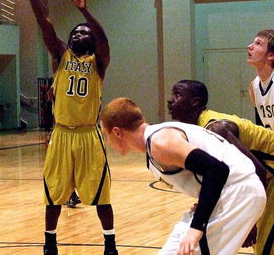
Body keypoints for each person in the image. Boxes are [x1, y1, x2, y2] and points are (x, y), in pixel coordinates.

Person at [15, 0, 117, 255]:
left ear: (92, 41)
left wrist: (84, 11)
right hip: (61, 134)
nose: (79, 34)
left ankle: (110, 243)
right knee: (53, 193)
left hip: (88, 134)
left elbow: (104, 40)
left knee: (100, 193)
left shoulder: (99, 62)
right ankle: (50, 243)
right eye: (76, 31)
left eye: (85, 32)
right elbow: (44, 23)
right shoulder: (61, 55)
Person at [100, 97, 266, 255]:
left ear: (117, 132)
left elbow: (217, 170)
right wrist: (205, 201)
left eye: (105, 134)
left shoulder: (161, 142)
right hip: (228, 192)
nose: (107, 141)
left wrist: (196, 228)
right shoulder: (154, 144)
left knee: (192, 247)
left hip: (238, 192)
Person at [167, 79, 273, 254]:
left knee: (266, 246)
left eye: (177, 94)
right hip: (266, 178)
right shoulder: (197, 129)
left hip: (267, 175)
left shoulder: (216, 128)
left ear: (195, 101)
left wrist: (251, 219)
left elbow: (257, 172)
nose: (170, 100)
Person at [247, 29, 274, 255]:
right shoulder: (254, 86)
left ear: (271, 55)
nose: (250, 47)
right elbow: (259, 130)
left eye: (257, 44)